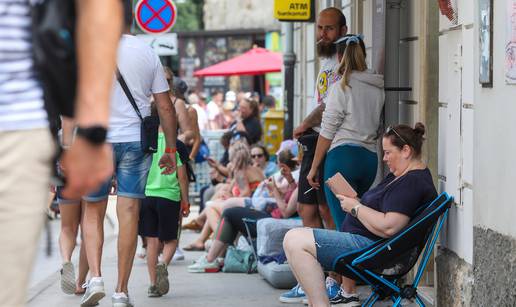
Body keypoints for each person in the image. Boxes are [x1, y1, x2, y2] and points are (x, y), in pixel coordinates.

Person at [0, 0, 121, 306]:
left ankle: (72, 264)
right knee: (88, 219)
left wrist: (93, 132)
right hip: (34, 134)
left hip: (15, 124)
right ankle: (93, 275)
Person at [80, 2, 178, 306]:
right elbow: (164, 106)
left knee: (92, 211)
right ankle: (121, 292)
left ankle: (95, 276)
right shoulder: (146, 52)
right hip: (134, 142)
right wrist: (171, 150)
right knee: (129, 216)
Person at [283, 123, 438, 307]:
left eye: (388, 153)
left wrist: (356, 208)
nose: (385, 159)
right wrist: (354, 201)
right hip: (366, 245)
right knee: (292, 240)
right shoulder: (402, 176)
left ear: (405, 150)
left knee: (295, 240)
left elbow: (389, 227)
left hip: (370, 251)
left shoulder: (412, 182)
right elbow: (381, 216)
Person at [280, 7, 347, 304]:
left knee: (327, 211)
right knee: (308, 210)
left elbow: (328, 106)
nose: (322, 34)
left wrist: (305, 122)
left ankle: (332, 281)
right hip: (313, 140)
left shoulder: (343, 63)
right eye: (320, 28)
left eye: (329, 28)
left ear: (342, 30)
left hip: (328, 141)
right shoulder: (324, 61)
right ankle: (313, 278)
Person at [307, 34, 385, 230]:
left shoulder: (340, 87)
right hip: (369, 161)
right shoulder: (377, 88)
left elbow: (327, 131)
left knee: (345, 226)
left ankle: (350, 261)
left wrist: (314, 167)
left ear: (340, 57)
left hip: (342, 161)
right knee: (358, 220)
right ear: (363, 55)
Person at [188, 149, 299, 272]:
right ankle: (214, 256)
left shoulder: (242, 171)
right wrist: (290, 180)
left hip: (273, 216)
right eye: (253, 156)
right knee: (228, 210)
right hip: (269, 213)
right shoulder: (294, 181)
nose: (256, 158)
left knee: (229, 212)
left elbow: (286, 212)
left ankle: (210, 258)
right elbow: (287, 196)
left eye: (259, 155)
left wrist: (275, 190)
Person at [139, 108, 190, 297]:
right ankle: (163, 265)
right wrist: (185, 201)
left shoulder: (146, 145)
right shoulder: (175, 146)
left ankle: (153, 284)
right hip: (169, 196)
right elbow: (182, 176)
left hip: (147, 196)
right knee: (171, 240)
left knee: (151, 241)